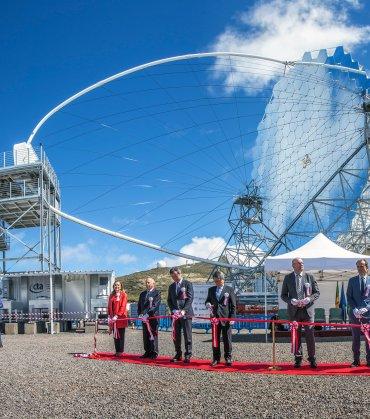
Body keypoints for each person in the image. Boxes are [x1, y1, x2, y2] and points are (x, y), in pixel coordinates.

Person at [281, 257, 320, 368]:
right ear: (293, 265)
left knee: (310, 336)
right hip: (294, 312)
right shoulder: (288, 278)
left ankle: (312, 358)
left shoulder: (310, 277)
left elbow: (317, 293)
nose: (301, 264)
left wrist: (309, 299)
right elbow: (283, 295)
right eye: (299, 263)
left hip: (308, 311)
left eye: (302, 262)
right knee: (295, 335)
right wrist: (291, 300)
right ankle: (298, 358)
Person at [205, 270, 236, 367]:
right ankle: (216, 358)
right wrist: (207, 304)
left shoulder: (229, 289)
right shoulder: (211, 290)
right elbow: (207, 300)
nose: (217, 283)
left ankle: (228, 358)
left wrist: (232, 318)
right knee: (215, 339)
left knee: (227, 339)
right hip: (214, 319)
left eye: (218, 281)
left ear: (223, 279)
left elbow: (233, 305)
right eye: (215, 281)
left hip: (226, 319)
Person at [167, 266, 194, 363]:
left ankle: (188, 354)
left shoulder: (187, 284)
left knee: (187, 335)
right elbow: (169, 300)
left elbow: (190, 298)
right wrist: (173, 310)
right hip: (175, 315)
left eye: (175, 276)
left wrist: (183, 311)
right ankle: (178, 354)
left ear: (179, 273)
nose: (174, 278)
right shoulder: (171, 286)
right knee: (176, 335)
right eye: (172, 276)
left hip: (186, 314)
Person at [346, 258, 370, 367]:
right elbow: (349, 297)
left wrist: (367, 307)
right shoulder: (352, 280)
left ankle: (369, 360)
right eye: (358, 266)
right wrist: (354, 308)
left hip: (368, 314)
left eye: (362, 266)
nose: (360, 268)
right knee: (355, 338)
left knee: (368, 337)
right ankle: (356, 360)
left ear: (367, 267)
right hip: (355, 314)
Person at [137, 277, 161, 359]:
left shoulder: (157, 293)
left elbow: (155, 305)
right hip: (144, 318)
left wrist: (148, 314)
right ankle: (147, 351)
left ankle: (154, 352)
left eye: (149, 282)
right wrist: (140, 314)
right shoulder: (142, 294)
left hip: (153, 318)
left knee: (153, 334)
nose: (147, 284)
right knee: (146, 335)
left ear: (153, 283)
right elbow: (139, 305)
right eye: (146, 282)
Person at [107, 280, 128, 357]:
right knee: (115, 335)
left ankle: (121, 351)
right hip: (113, 319)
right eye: (115, 285)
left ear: (121, 286)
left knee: (121, 335)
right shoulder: (111, 295)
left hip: (121, 318)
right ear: (113, 286)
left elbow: (123, 306)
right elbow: (109, 306)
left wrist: (117, 315)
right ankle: (117, 350)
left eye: (118, 285)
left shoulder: (124, 295)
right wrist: (109, 316)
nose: (117, 286)